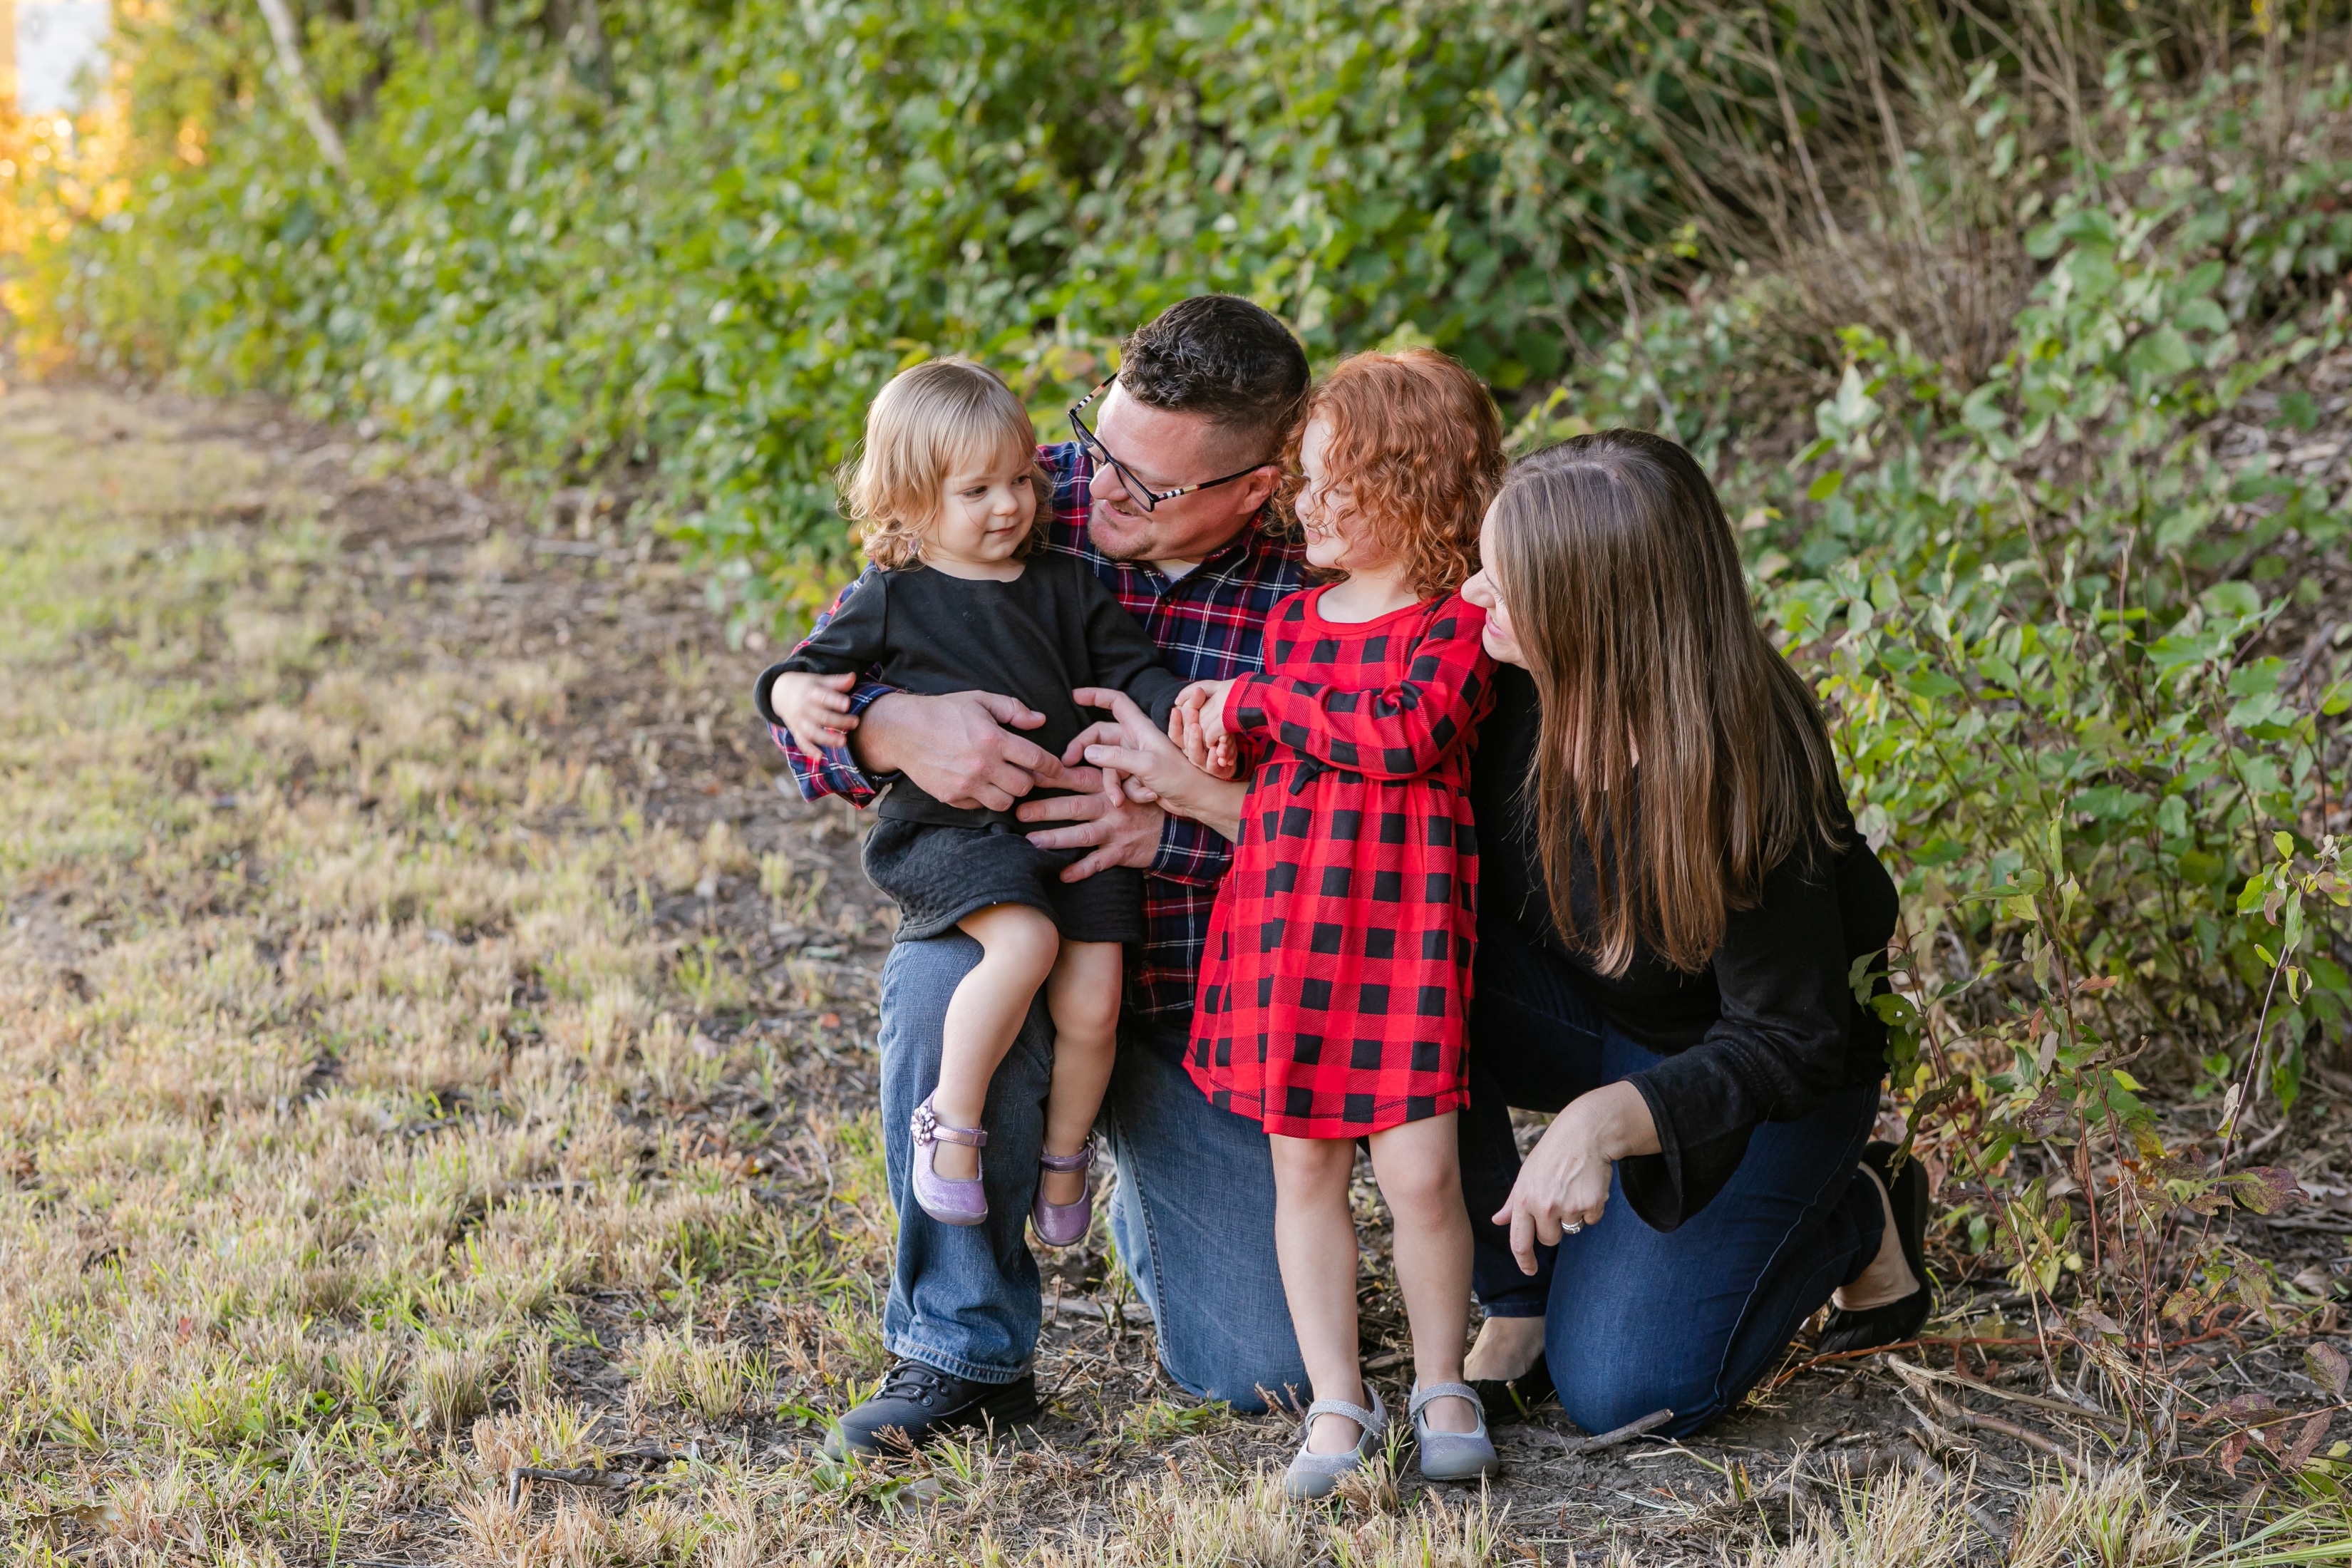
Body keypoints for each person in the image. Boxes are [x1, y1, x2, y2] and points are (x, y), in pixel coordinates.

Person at [761, 296, 1313, 1455]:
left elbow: (1361, 847)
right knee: (939, 985)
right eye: (1100, 448)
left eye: (1148, 488)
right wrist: (888, 729)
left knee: (1259, 1374)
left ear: (1252, 489)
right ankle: (960, 1352)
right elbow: (814, 703)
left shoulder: (1317, 585)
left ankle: (1122, 1173)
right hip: (1011, 911)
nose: (1091, 493)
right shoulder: (1012, 480)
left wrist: (1192, 814)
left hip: (1195, 996)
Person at [1443, 429, 1927, 1439]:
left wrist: (1599, 1124)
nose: (1472, 596)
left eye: (1502, 579)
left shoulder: (1746, 758)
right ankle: (1517, 1298)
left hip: (1768, 1071)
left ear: (1595, 612)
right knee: (1394, 970)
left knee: (1630, 1388)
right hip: (1598, 1010)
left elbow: (1792, 1037)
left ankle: (1856, 1217)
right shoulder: (1500, 682)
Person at [753, 359, 1184, 1249]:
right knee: (1023, 943)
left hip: (1073, 835)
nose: (1010, 505)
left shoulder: (1068, 586)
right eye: (975, 490)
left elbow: (1132, 667)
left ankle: (1067, 1156)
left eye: (1020, 480)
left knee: (1095, 995)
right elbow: (802, 677)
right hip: (958, 832)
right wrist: (796, 698)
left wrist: (1178, 716)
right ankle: (949, 1122)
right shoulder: (891, 597)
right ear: (910, 503)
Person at [1174, 349, 1505, 1495]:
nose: (1306, 501)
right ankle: (1336, 1400)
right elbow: (1278, 761)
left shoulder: (1453, 627)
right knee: (1303, 1173)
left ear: (1411, 485)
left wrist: (1258, 703)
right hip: (1285, 931)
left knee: (1422, 1177)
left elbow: (1403, 736)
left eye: (1330, 481)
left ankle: (1441, 1379)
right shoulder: (1296, 622)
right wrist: (1218, 723)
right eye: (1307, 478)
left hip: (1403, 942)